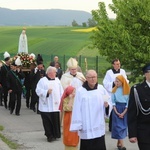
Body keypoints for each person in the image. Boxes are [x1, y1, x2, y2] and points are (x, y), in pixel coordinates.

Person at [70, 70, 110, 150]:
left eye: (94, 77)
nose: (93, 79)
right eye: (90, 77)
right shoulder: (81, 91)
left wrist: (107, 106)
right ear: (86, 78)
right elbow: (77, 108)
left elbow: (108, 101)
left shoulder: (101, 89)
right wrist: (78, 124)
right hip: (86, 124)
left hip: (98, 123)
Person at [36, 66, 64, 142]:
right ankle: (49, 135)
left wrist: (62, 100)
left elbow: (61, 91)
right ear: (50, 73)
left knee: (55, 120)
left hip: (55, 105)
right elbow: (38, 90)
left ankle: (56, 134)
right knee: (47, 121)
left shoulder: (57, 80)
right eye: (55, 72)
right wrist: (46, 92)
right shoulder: (42, 81)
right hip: (46, 106)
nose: (56, 73)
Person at [127, 63, 150, 150]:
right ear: (145, 74)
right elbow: (132, 113)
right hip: (145, 132)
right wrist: (132, 134)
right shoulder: (137, 89)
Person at [103, 58, 129, 131]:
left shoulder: (123, 71)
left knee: (121, 109)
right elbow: (105, 83)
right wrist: (114, 83)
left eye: (119, 64)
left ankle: (122, 126)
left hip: (121, 93)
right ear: (113, 65)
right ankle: (112, 127)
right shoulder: (109, 72)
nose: (118, 65)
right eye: (117, 64)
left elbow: (126, 81)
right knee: (112, 109)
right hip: (112, 93)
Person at [111, 75, 130, 150]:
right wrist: (116, 112)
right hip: (117, 109)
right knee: (118, 127)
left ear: (122, 82)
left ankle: (119, 143)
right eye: (115, 81)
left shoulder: (127, 91)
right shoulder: (114, 90)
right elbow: (113, 102)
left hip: (124, 109)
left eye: (117, 81)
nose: (116, 83)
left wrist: (123, 112)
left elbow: (128, 103)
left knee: (122, 127)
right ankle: (122, 146)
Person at [59, 86, 79, 150]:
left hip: (74, 118)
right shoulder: (65, 99)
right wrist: (70, 99)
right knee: (68, 134)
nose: (74, 93)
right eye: (73, 92)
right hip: (68, 119)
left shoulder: (76, 98)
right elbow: (68, 108)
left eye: (75, 92)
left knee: (75, 134)